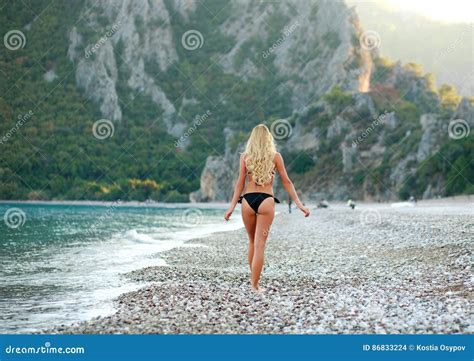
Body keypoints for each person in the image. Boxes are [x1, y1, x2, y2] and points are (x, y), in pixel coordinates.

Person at [224, 124, 310, 292]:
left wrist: (231, 207)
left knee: (251, 242)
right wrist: (300, 205)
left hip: (247, 201)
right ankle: (255, 285)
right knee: (260, 245)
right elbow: (287, 182)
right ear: (268, 138)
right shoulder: (275, 156)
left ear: (252, 139)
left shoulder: (245, 157)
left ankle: (254, 281)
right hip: (266, 201)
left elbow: (240, 183)